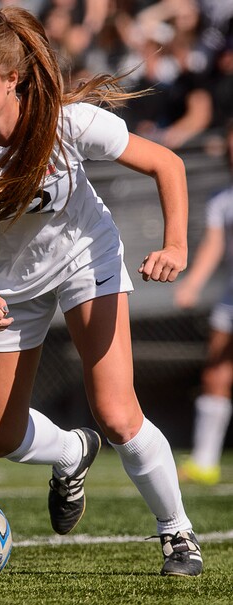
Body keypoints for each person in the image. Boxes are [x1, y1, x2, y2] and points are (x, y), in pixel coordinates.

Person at [0, 7, 201, 576]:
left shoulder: (67, 121)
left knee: (116, 412)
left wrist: (177, 246)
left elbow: (167, 164)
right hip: (1, 287)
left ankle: (177, 534)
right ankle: (69, 451)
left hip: (85, 259)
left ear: (11, 79)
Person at [173, 121, 233, 486]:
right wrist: (191, 283)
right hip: (230, 302)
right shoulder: (222, 200)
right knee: (214, 374)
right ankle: (205, 461)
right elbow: (214, 246)